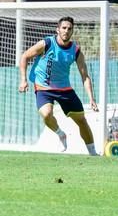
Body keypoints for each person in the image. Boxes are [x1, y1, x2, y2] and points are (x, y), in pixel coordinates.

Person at [18, 16, 99, 156]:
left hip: (64, 89)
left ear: (72, 31)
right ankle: (60, 134)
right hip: (43, 87)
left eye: (69, 28)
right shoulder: (46, 43)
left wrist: (91, 98)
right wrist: (23, 80)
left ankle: (93, 154)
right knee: (47, 114)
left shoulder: (76, 51)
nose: (66, 31)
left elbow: (85, 76)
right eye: (64, 28)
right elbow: (24, 56)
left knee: (81, 120)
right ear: (58, 29)